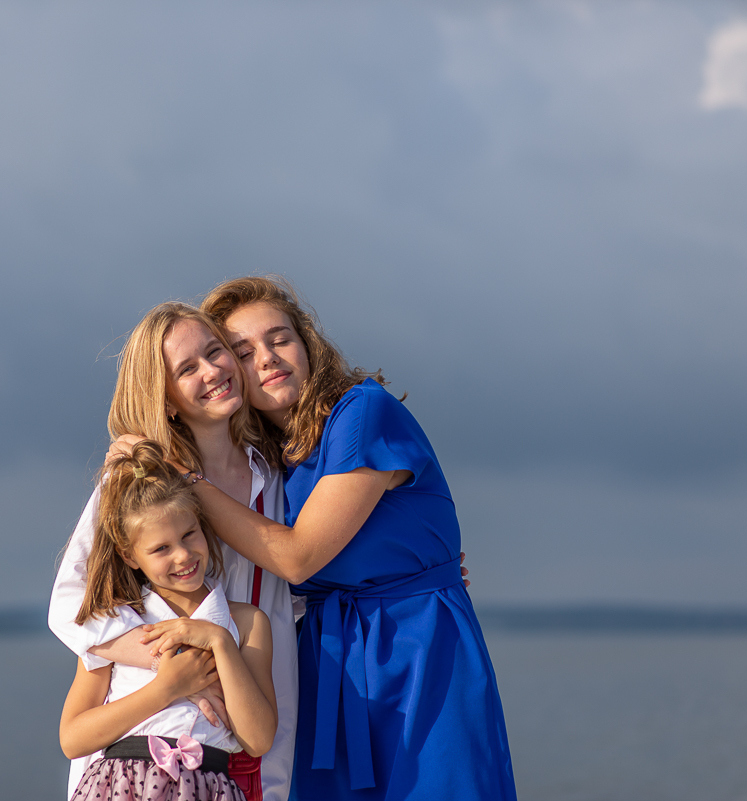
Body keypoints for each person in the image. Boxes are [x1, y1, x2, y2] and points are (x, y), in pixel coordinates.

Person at [173, 277, 518, 801]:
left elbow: (297, 556)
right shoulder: (267, 460)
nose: (267, 358)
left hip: (417, 647)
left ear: (307, 343)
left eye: (279, 338)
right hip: (329, 657)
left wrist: (185, 481)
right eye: (243, 351)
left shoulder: (361, 411)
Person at [49, 303, 301, 801]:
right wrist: (175, 668)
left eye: (216, 352)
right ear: (163, 398)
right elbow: (71, 608)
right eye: (187, 369)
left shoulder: (276, 472)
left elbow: (303, 573)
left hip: (243, 731)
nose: (212, 371)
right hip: (136, 756)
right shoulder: (138, 483)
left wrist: (410, 571)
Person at [59, 440, 277, 801]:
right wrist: (166, 688)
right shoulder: (116, 621)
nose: (183, 555)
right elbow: (72, 739)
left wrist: (220, 642)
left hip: (209, 788)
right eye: (161, 549)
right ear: (130, 557)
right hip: (122, 786)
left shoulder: (247, 623)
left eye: (189, 535)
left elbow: (258, 740)